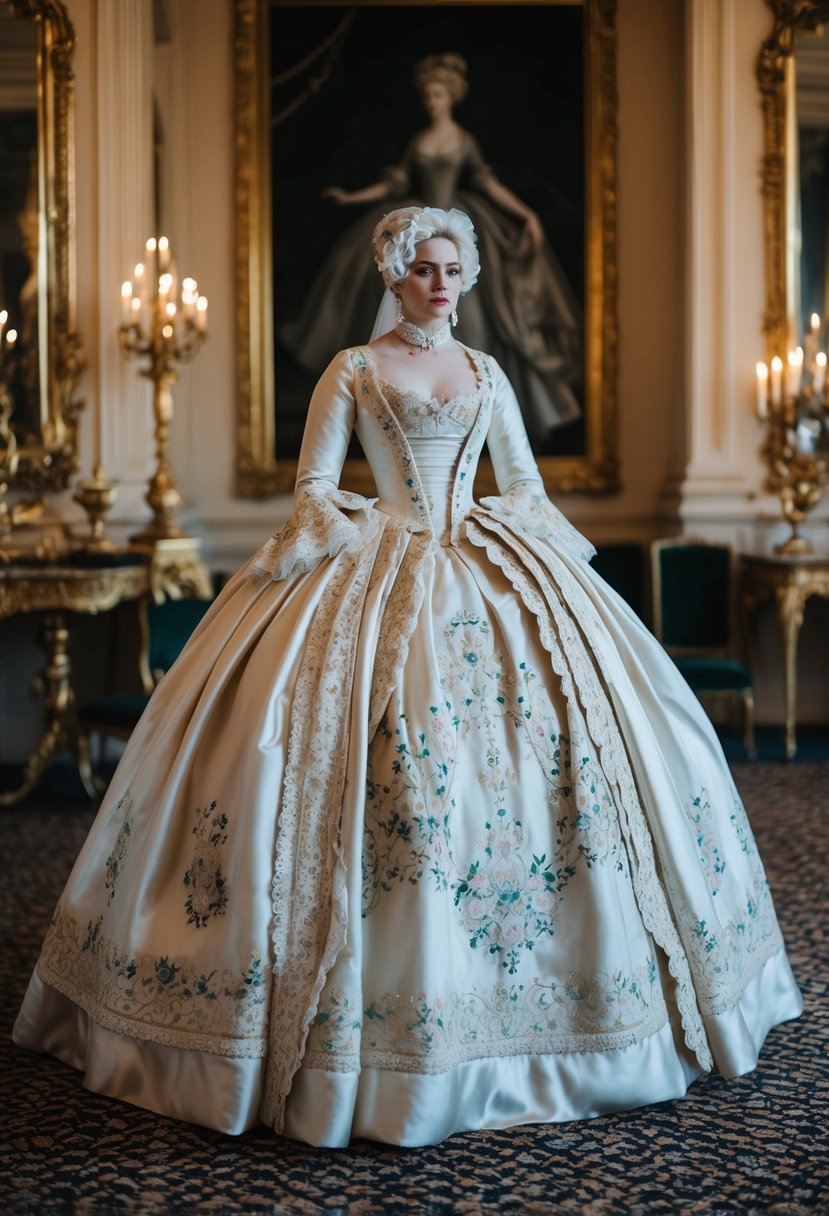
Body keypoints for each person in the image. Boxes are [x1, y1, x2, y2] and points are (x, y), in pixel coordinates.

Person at [14, 206, 801, 1149]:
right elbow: (311, 486)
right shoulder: (353, 367)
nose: (440, 283)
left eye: (452, 268)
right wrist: (343, 532)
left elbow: (523, 483)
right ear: (392, 275)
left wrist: (527, 549)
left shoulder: (486, 373)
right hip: (378, 556)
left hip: (483, 561)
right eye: (423, 268)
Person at [281, 53, 581, 447]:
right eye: (428, 96)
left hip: (457, 222)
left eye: (438, 95)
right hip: (420, 224)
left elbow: (488, 184)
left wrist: (527, 215)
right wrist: (353, 198)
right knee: (405, 289)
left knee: (472, 317)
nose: (432, 102)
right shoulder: (419, 142)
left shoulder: (463, 141)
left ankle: (473, 422)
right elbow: (394, 185)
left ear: (451, 96)